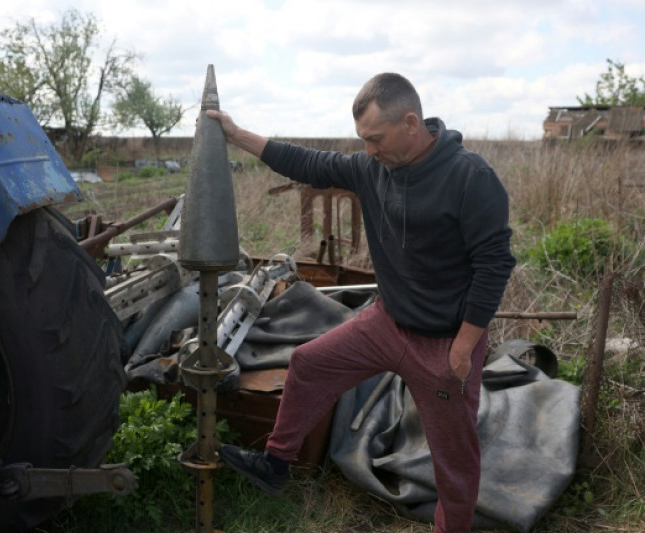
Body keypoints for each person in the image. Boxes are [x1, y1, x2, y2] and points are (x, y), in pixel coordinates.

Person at [209, 72, 515, 533]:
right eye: (363, 141)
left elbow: (495, 263)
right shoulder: (373, 169)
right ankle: (275, 463)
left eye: (375, 138)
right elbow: (306, 162)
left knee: (454, 463)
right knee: (309, 364)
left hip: (444, 344)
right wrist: (236, 135)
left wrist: (464, 345)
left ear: (411, 123)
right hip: (386, 323)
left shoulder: (470, 177)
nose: (368, 150)